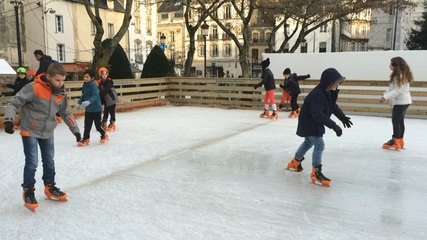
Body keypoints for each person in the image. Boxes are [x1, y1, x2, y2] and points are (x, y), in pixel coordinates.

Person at [3, 63, 81, 211]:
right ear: (49, 76)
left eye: (63, 80)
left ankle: (49, 187)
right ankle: (28, 191)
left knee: (49, 162)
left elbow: (66, 112)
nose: (61, 83)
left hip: (47, 131)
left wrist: (75, 131)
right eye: (58, 80)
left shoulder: (60, 92)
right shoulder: (33, 88)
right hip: (30, 130)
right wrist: (9, 120)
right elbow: (13, 103)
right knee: (32, 162)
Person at [285, 68, 353, 187]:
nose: (337, 86)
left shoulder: (328, 91)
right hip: (309, 122)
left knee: (308, 143)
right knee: (319, 144)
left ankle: (295, 162)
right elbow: (318, 115)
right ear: (328, 82)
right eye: (335, 84)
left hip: (312, 121)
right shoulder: (318, 94)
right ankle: (316, 172)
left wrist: (342, 117)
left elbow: (333, 106)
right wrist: (334, 126)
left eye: (338, 84)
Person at [380, 57, 414, 150]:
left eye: (391, 64)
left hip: (401, 102)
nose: (389, 65)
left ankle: (396, 140)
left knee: (396, 121)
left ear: (396, 66)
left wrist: (385, 97)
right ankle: (400, 140)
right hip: (403, 101)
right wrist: (385, 95)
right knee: (399, 121)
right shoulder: (398, 74)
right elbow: (392, 88)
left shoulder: (399, 75)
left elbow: (398, 90)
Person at [77, 69, 108, 146]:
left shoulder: (94, 85)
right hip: (88, 109)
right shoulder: (84, 85)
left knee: (97, 126)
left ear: (92, 78)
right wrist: (79, 102)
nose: (85, 78)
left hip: (96, 109)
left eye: (87, 77)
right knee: (87, 125)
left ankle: (103, 134)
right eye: (84, 76)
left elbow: (95, 95)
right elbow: (83, 96)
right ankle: (86, 138)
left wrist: (89, 101)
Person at [33, 49, 62, 123]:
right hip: (53, 81)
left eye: (36, 57)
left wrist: (33, 80)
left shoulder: (44, 61)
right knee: (53, 99)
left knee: (48, 99)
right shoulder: (49, 60)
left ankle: (53, 116)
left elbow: (40, 72)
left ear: (38, 55)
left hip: (49, 82)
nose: (36, 59)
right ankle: (58, 116)